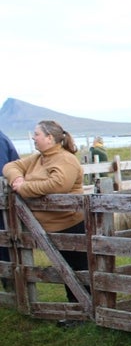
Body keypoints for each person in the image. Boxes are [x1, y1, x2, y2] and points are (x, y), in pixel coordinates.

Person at [3, 121, 87, 303]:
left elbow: (58, 184)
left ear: (49, 138)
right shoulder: (37, 158)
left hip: (70, 225)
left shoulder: (66, 159)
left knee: (77, 269)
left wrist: (24, 187)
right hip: (46, 228)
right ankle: (77, 311)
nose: (33, 137)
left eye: (37, 134)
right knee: (65, 269)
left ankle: (83, 310)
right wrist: (17, 178)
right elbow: (9, 166)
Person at [0, 129, 20, 272]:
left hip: (4, 201)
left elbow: (2, 172)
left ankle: (9, 279)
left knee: (4, 241)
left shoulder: (0, 141)